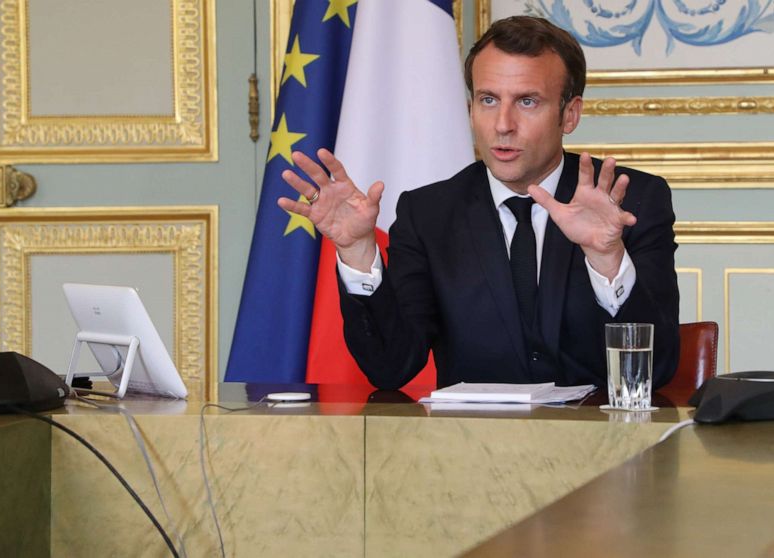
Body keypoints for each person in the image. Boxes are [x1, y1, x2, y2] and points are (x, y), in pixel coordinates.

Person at [277, 16, 679, 391]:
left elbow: (656, 371)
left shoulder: (632, 200)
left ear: (569, 114)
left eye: (527, 101)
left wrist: (607, 258)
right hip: (470, 456)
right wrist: (357, 251)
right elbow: (391, 367)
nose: (502, 124)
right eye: (488, 100)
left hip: (602, 452)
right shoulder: (429, 214)